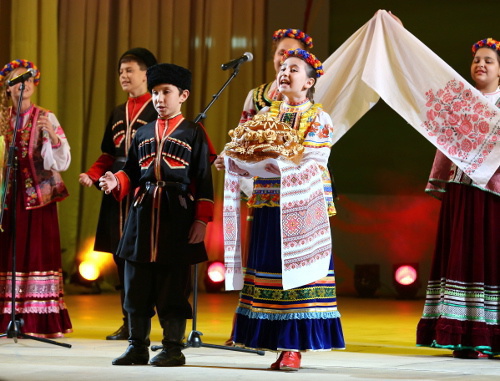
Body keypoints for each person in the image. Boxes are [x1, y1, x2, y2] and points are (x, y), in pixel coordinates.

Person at [217, 49, 345, 371]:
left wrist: (274, 164)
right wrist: (231, 161)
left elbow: (315, 163)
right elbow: (244, 153)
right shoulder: (264, 116)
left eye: (294, 69)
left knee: (297, 275)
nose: (285, 73)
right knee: (269, 272)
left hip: (302, 208)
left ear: (309, 82)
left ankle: (292, 347)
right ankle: (274, 342)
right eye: (283, 68)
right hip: (268, 205)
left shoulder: (319, 118)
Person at [99, 63, 214, 367]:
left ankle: (173, 348)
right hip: (143, 214)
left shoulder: (194, 133)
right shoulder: (143, 132)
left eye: (166, 92)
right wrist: (116, 181)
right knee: (136, 283)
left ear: (183, 95)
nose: (160, 98)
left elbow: (203, 180)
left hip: (176, 217)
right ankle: (137, 346)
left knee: (172, 285)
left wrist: (201, 220)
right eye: (155, 92)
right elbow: (132, 172)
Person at [416, 38, 500, 359]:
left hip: (492, 194)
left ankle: (487, 336)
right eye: (477, 59)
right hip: (462, 190)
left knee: (487, 261)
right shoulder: (461, 100)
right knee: (462, 258)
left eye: (488, 61)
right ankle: (464, 335)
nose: (481, 64)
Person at [78, 47, 158, 340]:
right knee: (119, 257)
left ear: (146, 74)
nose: (124, 76)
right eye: (121, 71)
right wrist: (92, 174)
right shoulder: (116, 112)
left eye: (130, 70)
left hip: (144, 190)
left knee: (143, 258)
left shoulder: (158, 107)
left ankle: (148, 323)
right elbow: (107, 155)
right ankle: (128, 322)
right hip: (114, 192)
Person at [0, 59, 72, 338]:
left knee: (37, 253)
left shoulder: (45, 116)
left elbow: (62, 161)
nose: (24, 84)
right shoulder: (1, 119)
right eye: (17, 81)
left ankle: (37, 320)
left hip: (38, 199)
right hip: (7, 199)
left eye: (28, 79)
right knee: (8, 254)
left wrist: (51, 136)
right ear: (8, 89)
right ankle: (9, 316)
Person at [239, 28, 314, 124]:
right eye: (281, 53)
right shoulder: (255, 95)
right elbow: (241, 134)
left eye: (293, 53)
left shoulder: (310, 93)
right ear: (274, 56)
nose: (286, 58)